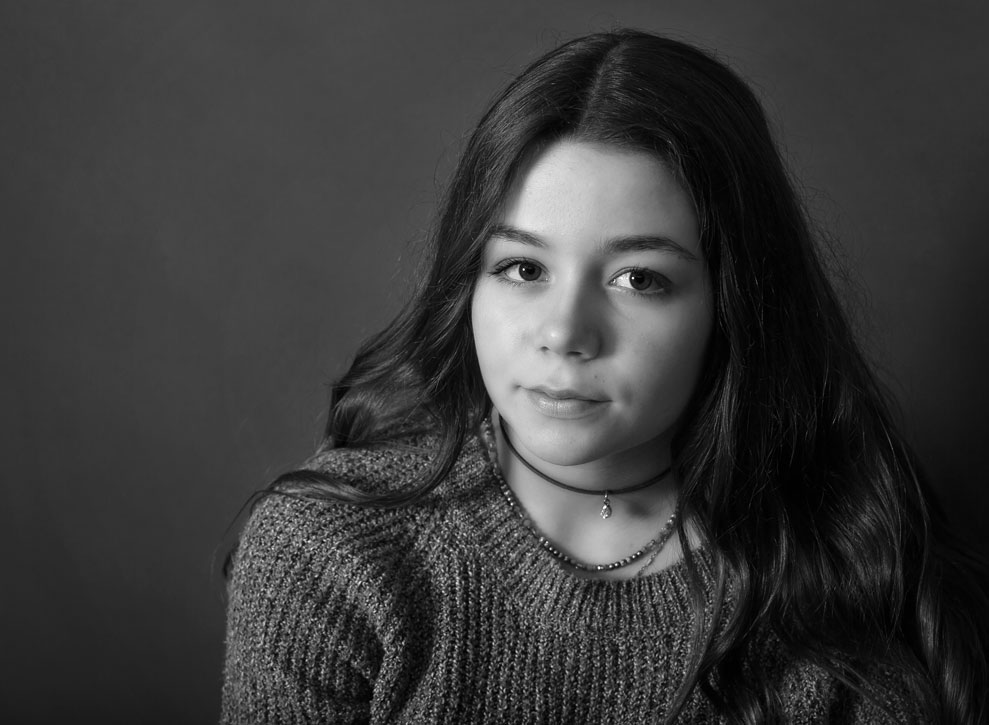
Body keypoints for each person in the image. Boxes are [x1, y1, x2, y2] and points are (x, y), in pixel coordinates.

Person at [220, 29, 988, 723]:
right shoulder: (331, 555)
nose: (563, 332)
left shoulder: (830, 596)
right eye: (522, 267)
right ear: (467, 281)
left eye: (638, 279)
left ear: (732, 307)